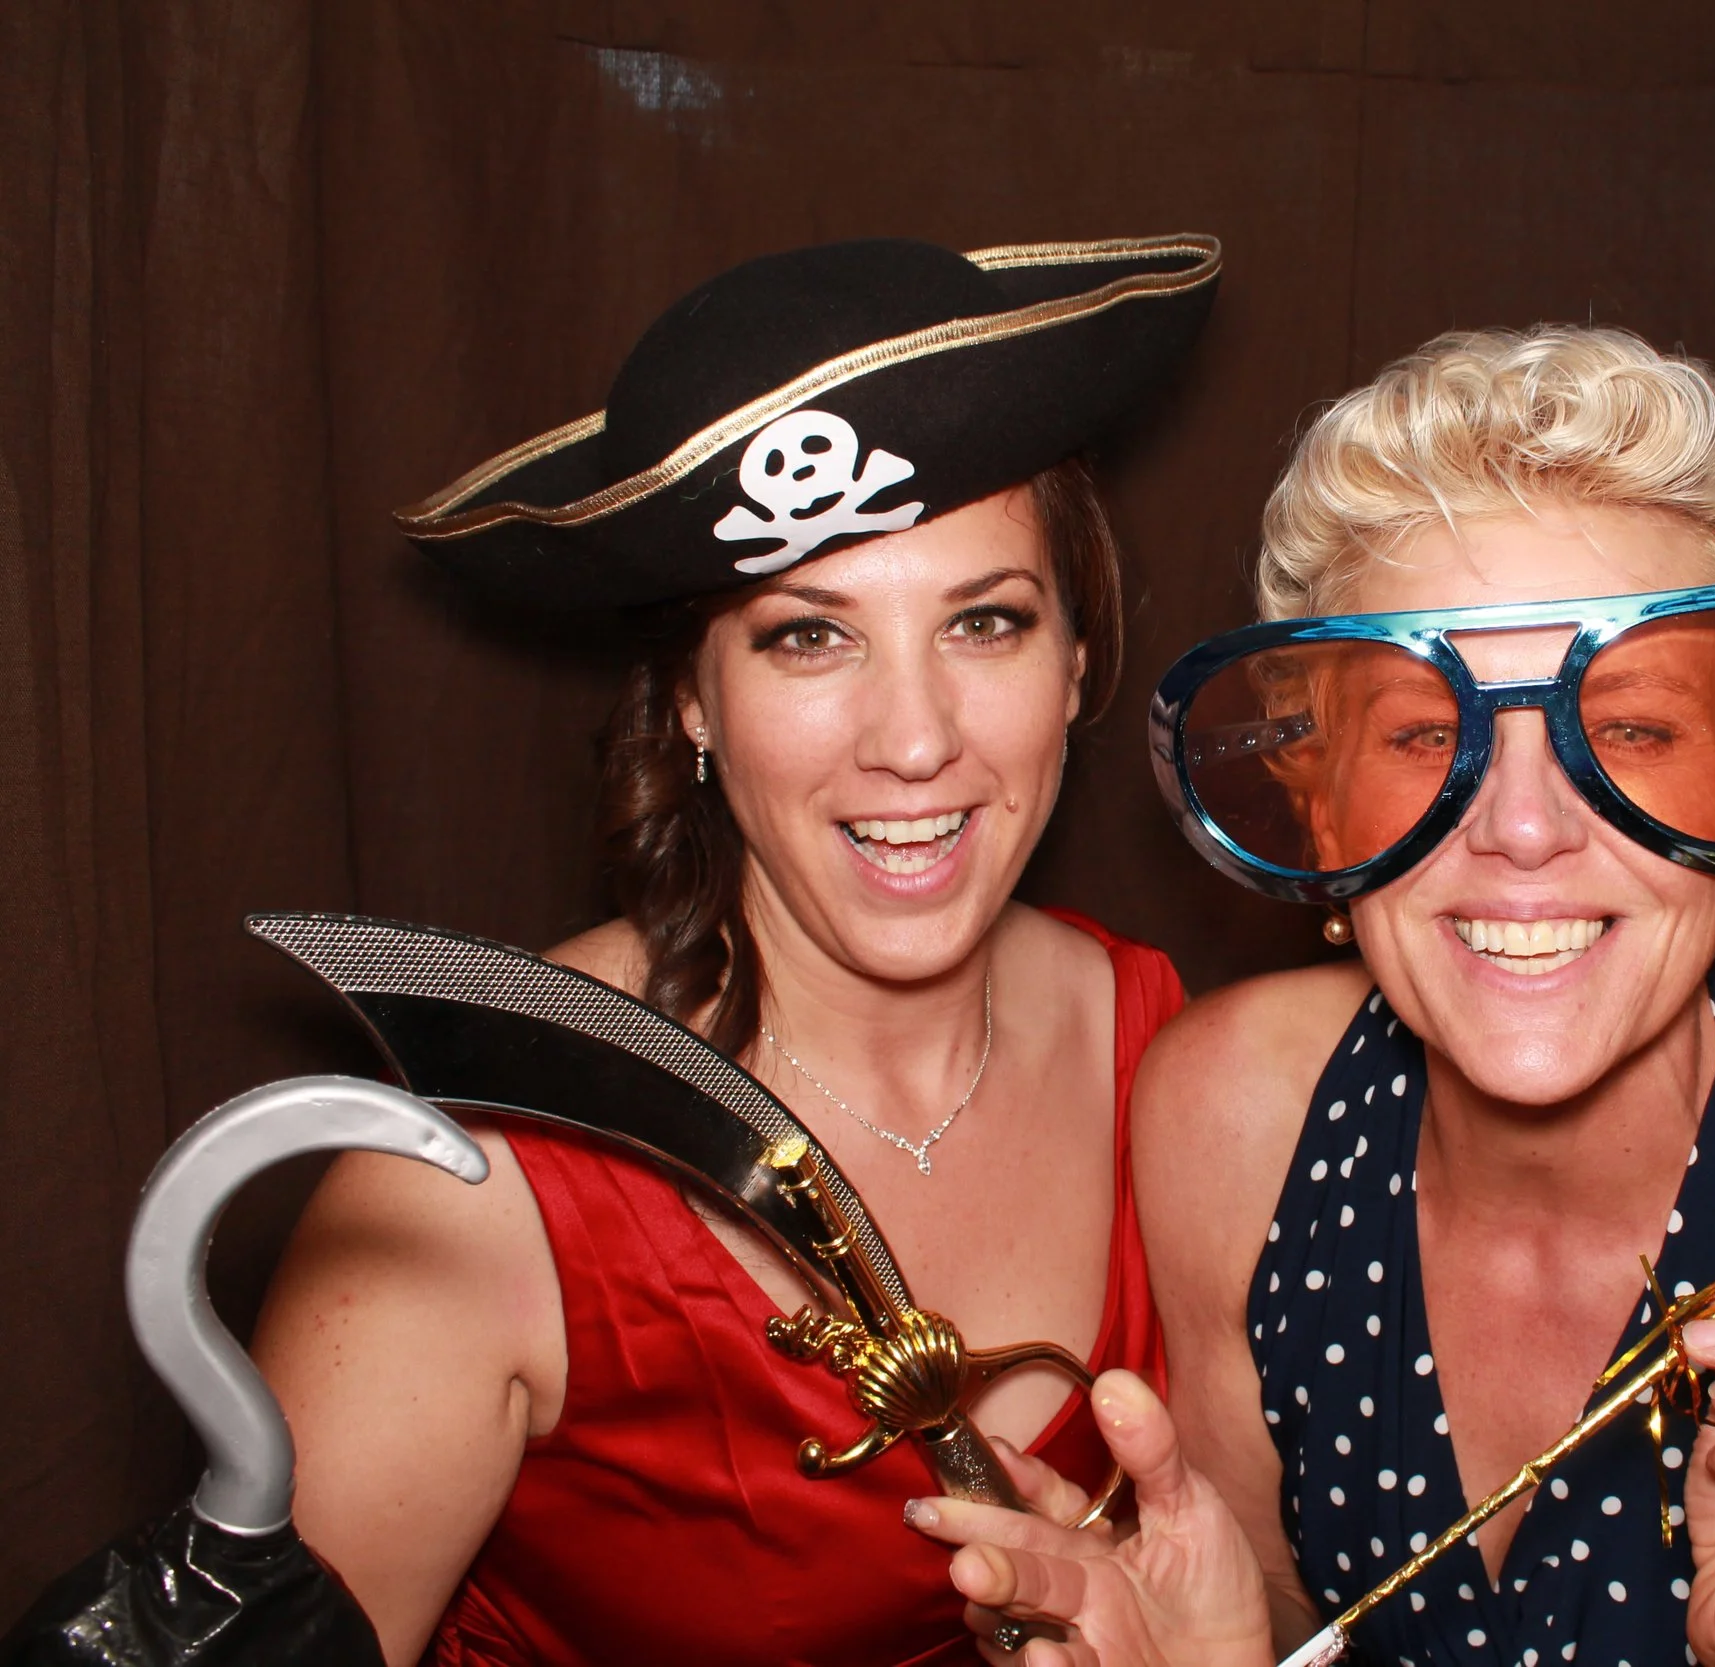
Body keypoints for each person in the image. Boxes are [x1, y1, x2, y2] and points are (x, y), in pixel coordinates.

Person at [909, 326, 1715, 1667]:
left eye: (1633, 730)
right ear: (1320, 809)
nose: (1527, 828)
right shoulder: (1232, 1117)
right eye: (1428, 734)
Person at [247, 234, 1219, 1666]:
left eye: (987, 621)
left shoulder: (1175, 1051)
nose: (913, 737)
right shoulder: (475, 1180)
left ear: (1078, 661)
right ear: (691, 700)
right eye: (808, 638)